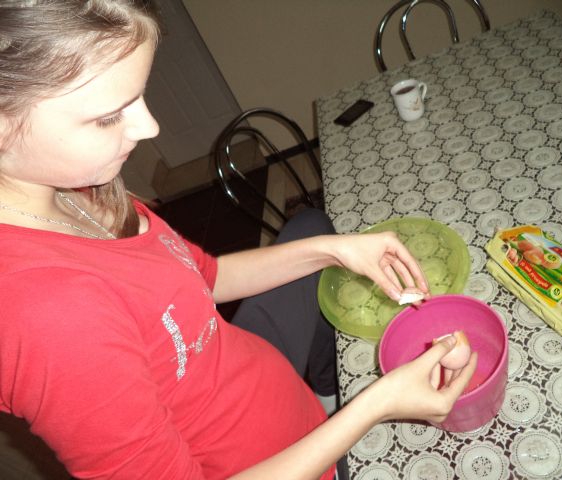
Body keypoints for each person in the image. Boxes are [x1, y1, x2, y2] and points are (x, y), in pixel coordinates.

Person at [0, 1, 478, 479]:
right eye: (109, 117)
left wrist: (333, 251)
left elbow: (207, 278)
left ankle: (324, 392)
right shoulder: (46, 315)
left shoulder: (79, 190)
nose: (150, 128)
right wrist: (374, 406)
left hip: (273, 399)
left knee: (312, 227)